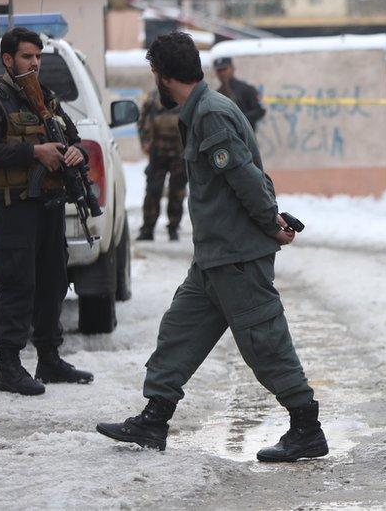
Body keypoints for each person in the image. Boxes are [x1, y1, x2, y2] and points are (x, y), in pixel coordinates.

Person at [96, 33, 327, 461]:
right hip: (214, 256)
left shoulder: (211, 114)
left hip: (237, 256)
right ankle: (154, 419)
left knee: (264, 341)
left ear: (163, 77)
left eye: (154, 76)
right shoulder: (200, 109)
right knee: (179, 332)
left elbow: (244, 178)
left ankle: (306, 427)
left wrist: (270, 224)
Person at [0, 27, 94, 396]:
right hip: (17, 206)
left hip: (50, 204)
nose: (35, 63)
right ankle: (9, 366)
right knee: (17, 281)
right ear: (9, 60)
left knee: (53, 280)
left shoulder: (47, 100)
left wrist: (77, 152)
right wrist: (33, 153)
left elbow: (74, 139)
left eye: (38, 57)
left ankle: (49, 358)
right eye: (27, 57)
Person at [136, 90, 187, 241]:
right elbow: (142, 120)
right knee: (153, 191)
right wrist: (144, 141)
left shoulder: (183, 96)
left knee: (177, 192)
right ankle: (148, 229)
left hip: (179, 152)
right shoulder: (152, 97)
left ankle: (173, 227)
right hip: (157, 151)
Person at [213, 57, 266, 132]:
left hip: (245, 137)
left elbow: (260, 110)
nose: (222, 73)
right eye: (219, 70)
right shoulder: (217, 94)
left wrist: (238, 118)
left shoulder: (246, 89)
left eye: (224, 69)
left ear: (232, 68)